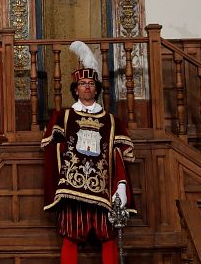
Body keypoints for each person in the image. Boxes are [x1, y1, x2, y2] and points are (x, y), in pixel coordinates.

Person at [41, 41, 135, 264]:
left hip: (102, 189)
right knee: (70, 237)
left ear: (96, 88)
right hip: (73, 189)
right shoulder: (63, 117)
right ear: (75, 89)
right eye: (82, 83)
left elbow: (120, 154)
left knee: (109, 237)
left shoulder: (111, 121)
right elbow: (49, 146)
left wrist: (120, 186)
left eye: (90, 83)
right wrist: (67, 151)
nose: (86, 87)